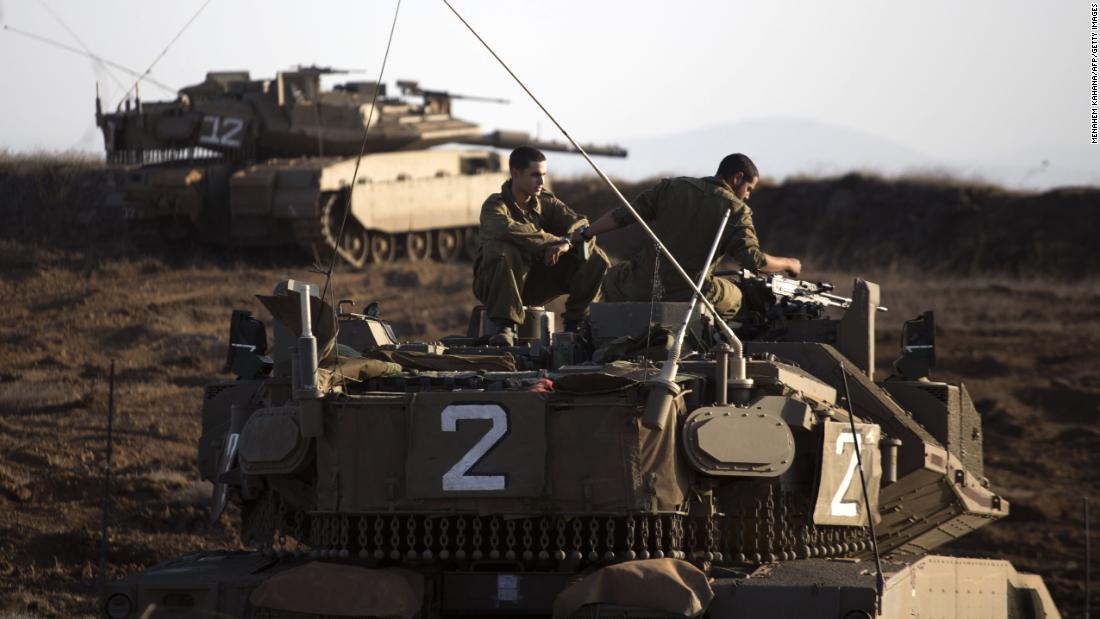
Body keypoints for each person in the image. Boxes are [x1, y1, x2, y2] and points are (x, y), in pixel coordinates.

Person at [585, 153, 801, 317]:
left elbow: (623, 215)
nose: (747, 197)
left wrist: (585, 233)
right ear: (737, 178)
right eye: (749, 189)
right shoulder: (737, 211)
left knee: (613, 278)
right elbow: (755, 262)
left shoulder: (672, 187)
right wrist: (789, 263)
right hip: (690, 292)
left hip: (643, 285)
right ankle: (706, 342)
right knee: (737, 297)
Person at [473, 146, 610, 346]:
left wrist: (567, 244)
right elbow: (506, 229)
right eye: (535, 175)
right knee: (504, 250)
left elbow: (581, 225)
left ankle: (576, 325)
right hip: (495, 282)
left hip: (534, 282)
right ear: (515, 174)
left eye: (544, 174)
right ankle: (505, 326)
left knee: (595, 256)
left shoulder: (546, 202)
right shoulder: (495, 206)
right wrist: (555, 241)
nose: (541, 181)